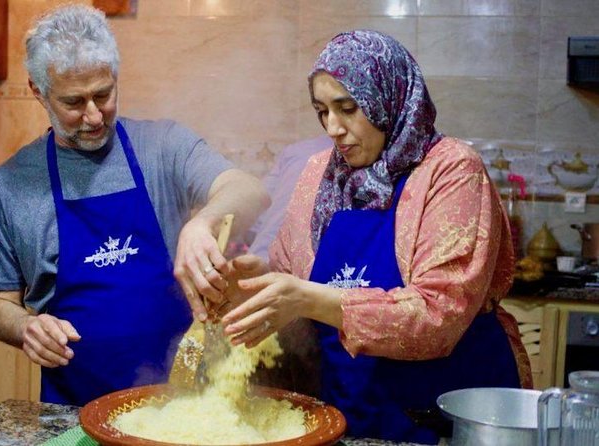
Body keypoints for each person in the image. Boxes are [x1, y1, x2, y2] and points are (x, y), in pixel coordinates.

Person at [209, 30, 532, 444]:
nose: (333, 128)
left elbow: (439, 316)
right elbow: (294, 285)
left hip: (443, 415)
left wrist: (306, 297)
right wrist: (257, 283)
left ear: (389, 96)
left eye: (347, 108)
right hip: (349, 412)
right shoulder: (317, 176)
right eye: (321, 111)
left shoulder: (451, 170)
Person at [0, 4, 269, 407]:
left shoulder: (163, 147)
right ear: (38, 92)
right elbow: (0, 305)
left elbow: (249, 189)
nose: (94, 116)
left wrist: (202, 223)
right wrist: (26, 327)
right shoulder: (7, 186)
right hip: (73, 411)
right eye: (74, 103)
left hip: (186, 407)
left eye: (103, 94)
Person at [247, 135, 331, 261]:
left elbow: (255, 216)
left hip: (258, 261)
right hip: (306, 274)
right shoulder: (360, 160)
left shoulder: (296, 151)